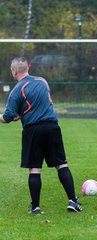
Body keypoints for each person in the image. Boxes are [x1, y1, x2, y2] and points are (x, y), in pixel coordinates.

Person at [0, 57, 82, 214]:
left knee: (35, 169)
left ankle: (36, 208)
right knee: (61, 164)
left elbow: (7, 117)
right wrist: (22, 113)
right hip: (52, 127)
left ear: (14, 71)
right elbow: (41, 102)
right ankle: (73, 201)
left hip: (33, 131)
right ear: (27, 68)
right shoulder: (43, 81)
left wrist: (14, 115)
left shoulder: (16, 91)